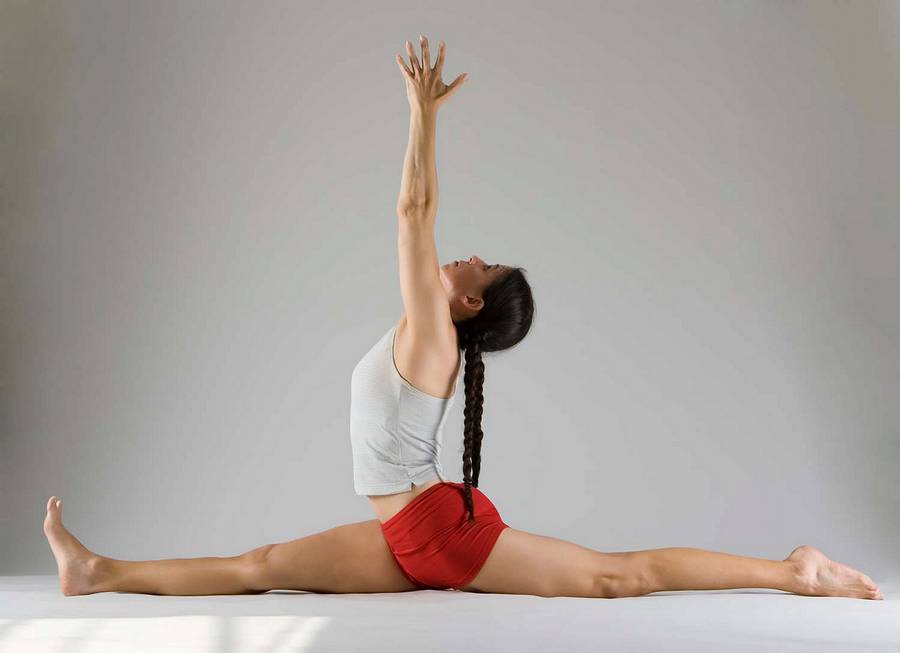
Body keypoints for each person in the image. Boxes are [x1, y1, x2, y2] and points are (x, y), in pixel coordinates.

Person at [43, 35, 882, 601]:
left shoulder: (434, 332)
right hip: (412, 527)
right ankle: (95, 571)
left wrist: (423, 114)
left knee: (616, 577)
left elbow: (412, 213)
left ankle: (794, 571)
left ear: (470, 302)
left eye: (479, 266)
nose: (467, 255)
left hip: (436, 532)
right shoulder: (434, 335)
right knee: (258, 565)